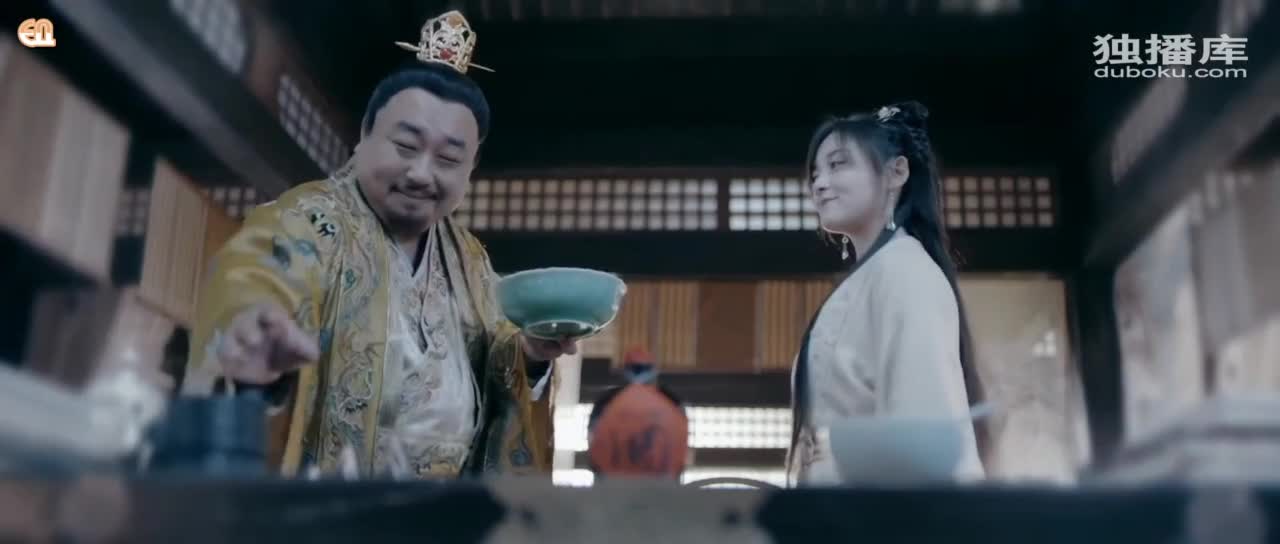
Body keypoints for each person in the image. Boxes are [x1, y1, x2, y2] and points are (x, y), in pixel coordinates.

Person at [180, 11, 574, 479]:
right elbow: (260, 270)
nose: (421, 173)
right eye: (406, 146)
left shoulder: (470, 259)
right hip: (336, 503)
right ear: (364, 136)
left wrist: (530, 354)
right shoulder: (314, 219)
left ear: (470, 169)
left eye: (449, 159)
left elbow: (496, 357)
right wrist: (255, 323)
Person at [785, 101, 989, 486]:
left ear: (897, 172)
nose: (820, 183)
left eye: (838, 164)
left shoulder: (905, 271)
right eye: (815, 173)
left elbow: (923, 434)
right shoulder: (875, 274)